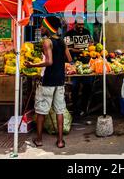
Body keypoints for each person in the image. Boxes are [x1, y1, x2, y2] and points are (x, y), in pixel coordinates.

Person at [25, 16, 72, 149]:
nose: (40, 28)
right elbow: (69, 58)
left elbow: (49, 62)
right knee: (59, 110)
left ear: (48, 27)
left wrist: (32, 64)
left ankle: (39, 140)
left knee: (41, 111)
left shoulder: (47, 42)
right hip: (60, 80)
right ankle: (60, 141)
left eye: (42, 26)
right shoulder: (62, 41)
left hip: (49, 80)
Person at [63, 18, 94, 116]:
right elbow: (67, 48)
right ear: (75, 24)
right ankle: (75, 109)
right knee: (75, 86)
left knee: (87, 85)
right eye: (79, 24)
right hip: (74, 63)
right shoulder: (69, 34)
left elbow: (91, 44)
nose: (81, 26)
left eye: (82, 24)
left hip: (86, 63)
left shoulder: (87, 32)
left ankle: (84, 108)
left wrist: (90, 47)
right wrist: (81, 50)